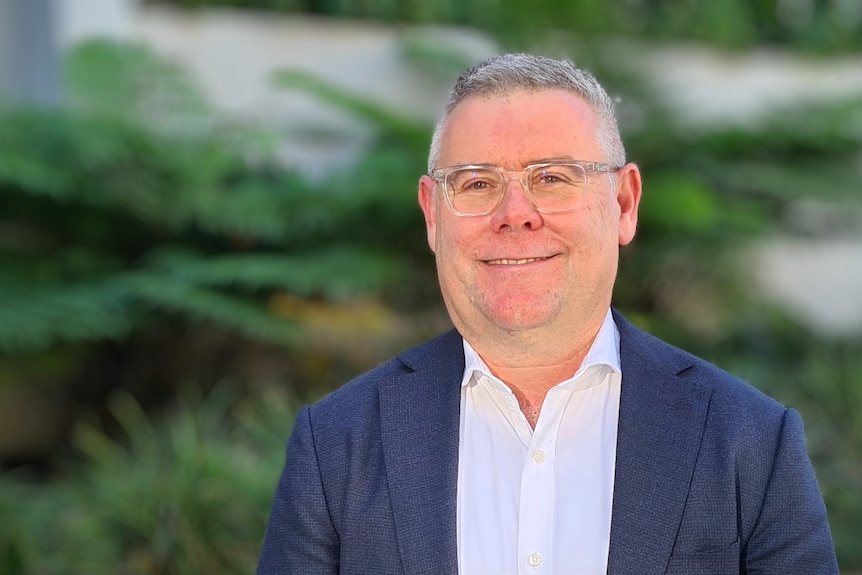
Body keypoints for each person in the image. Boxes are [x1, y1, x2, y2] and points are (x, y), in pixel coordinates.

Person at [256, 53, 838, 574]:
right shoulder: (336, 444)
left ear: (624, 203)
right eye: (477, 182)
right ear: (434, 216)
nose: (515, 213)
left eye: (553, 178)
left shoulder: (751, 442)